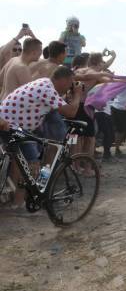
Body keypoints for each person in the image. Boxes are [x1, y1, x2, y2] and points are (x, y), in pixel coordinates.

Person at [0, 66, 81, 209]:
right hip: (12, 126)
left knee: (19, 162)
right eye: (70, 83)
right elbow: (71, 112)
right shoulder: (47, 90)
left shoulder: (43, 82)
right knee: (32, 164)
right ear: (64, 79)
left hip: (9, 122)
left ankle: (18, 199)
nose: (70, 87)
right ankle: (21, 202)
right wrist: (78, 95)